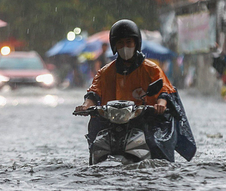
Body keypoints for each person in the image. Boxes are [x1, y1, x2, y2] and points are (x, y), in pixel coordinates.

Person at [75, 19, 196, 162]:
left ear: (136, 43)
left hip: (145, 121)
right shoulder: (105, 72)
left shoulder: (152, 69)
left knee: (155, 144)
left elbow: (164, 90)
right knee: (96, 140)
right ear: (114, 45)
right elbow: (93, 93)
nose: (125, 47)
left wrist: (161, 104)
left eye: (128, 43)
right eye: (120, 43)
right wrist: (86, 106)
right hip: (112, 122)